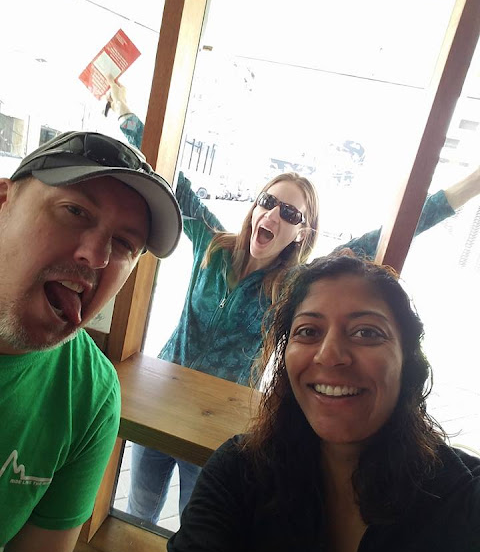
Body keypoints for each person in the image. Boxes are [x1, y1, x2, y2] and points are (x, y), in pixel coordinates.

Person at [105, 76, 480, 524]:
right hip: (163, 397)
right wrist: (124, 107)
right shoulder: (213, 245)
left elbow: (387, 234)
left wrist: (473, 182)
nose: (273, 214)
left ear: (301, 233)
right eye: (268, 201)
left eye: (290, 213)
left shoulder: (293, 284)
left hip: (219, 416)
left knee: (197, 521)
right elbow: (168, 174)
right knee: (139, 509)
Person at [146, 253, 480, 552]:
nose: (329, 355)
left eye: (366, 332)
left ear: (407, 359)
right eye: (308, 331)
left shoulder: (463, 497)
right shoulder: (242, 470)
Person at [0, 131, 182, 552]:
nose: (96, 256)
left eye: (124, 243)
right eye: (75, 211)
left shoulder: (89, 397)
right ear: (3, 203)